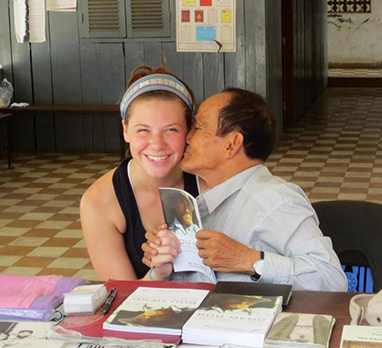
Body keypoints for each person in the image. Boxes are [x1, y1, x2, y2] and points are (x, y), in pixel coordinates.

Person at [143, 88, 348, 291]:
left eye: (198, 127)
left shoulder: (274, 200)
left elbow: (331, 278)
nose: (187, 137)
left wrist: (248, 260)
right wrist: (163, 267)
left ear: (231, 144)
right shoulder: (205, 203)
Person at [80, 64, 203, 281]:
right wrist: (157, 273)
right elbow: (122, 298)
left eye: (171, 129)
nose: (157, 144)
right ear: (126, 130)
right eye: (143, 130)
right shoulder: (100, 201)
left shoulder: (209, 183)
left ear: (189, 130)